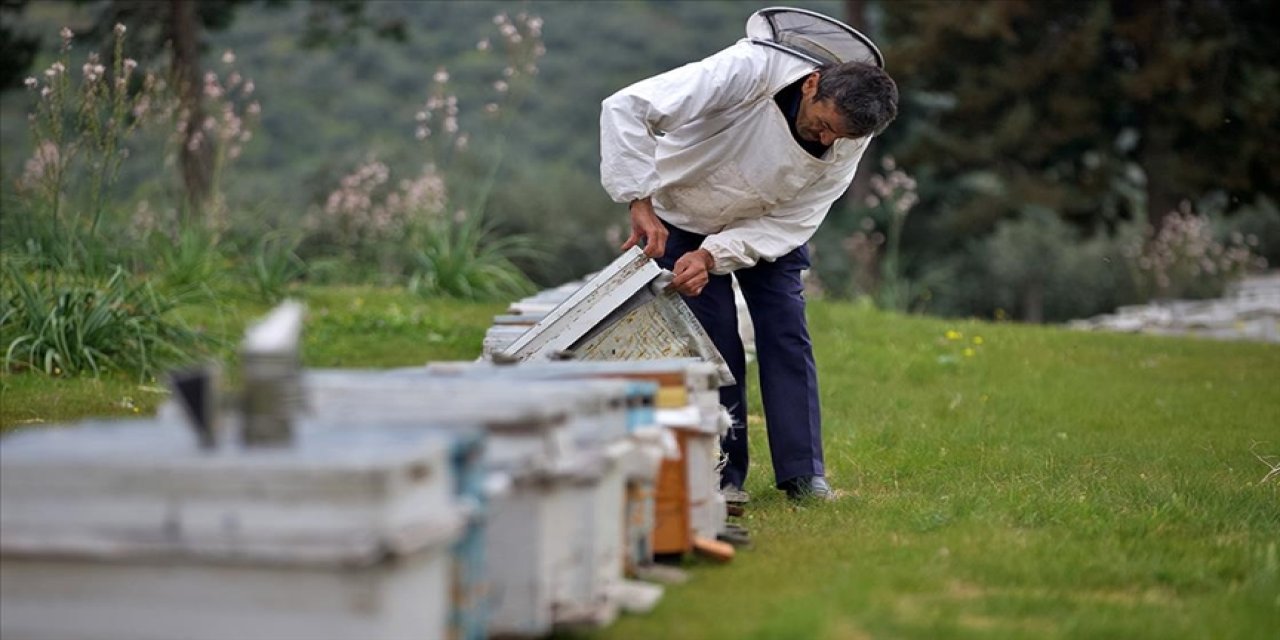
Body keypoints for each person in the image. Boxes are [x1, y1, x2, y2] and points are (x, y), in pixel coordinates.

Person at [598, 13, 898, 501]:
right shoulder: (746, 69)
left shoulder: (848, 135)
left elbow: (798, 219)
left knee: (785, 332)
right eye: (822, 125)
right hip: (680, 214)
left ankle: (803, 475)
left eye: (837, 137)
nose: (826, 141)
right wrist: (638, 198)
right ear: (812, 84)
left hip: (769, 229)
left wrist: (716, 255)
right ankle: (722, 474)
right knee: (712, 344)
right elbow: (627, 107)